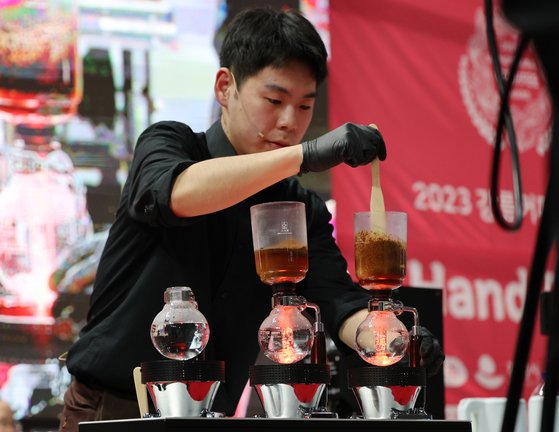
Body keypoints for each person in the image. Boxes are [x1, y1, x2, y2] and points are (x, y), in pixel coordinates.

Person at [59, 6, 444, 431]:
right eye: (274, 100)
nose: (289, 123)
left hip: (214, 418)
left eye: (304, 107)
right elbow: (178, 195)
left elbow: (338, 303)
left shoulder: (300, 210)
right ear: (226, 87)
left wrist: (390, 338)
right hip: (115, 407)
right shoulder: (168, 145)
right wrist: (306, 156)